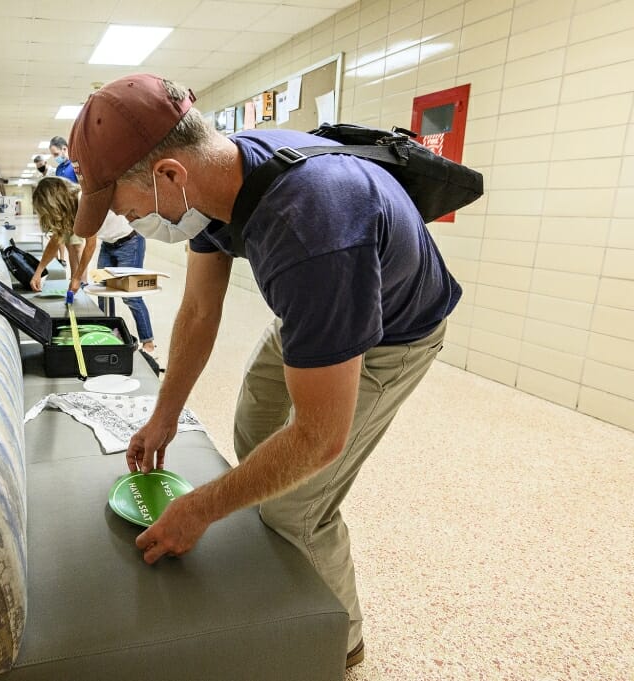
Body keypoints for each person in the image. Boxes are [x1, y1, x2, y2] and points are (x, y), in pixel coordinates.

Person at [68, 74, 461, 671]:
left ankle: (340, 641)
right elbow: (199, 311)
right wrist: (164, 414)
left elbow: (320, 436)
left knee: (297, 503)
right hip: (321, 302)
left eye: (124, 208)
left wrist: (201, 508)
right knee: (257, 412)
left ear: (169, 175)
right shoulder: (215, 181)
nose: (128, 222)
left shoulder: (312, 229)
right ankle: (272, 515)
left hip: (392, 334)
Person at [75, 209, 157, 354]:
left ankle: (148, 342)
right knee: (103, 292)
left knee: (131, 297)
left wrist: (76, 277)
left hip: (130, 241)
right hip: (108, 244)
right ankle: (109, 333)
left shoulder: (86, 201)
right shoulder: (75, 207)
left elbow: (90, 245)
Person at [30, 176, 92, 293]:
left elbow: (91, 244)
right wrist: (39, 272)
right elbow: (55, 240)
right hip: (111, 242)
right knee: (104, 296)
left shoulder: (82, 200)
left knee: (131, 300)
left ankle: (83, 282)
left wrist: (77, 277)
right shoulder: (69, 209)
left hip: (126, 239)